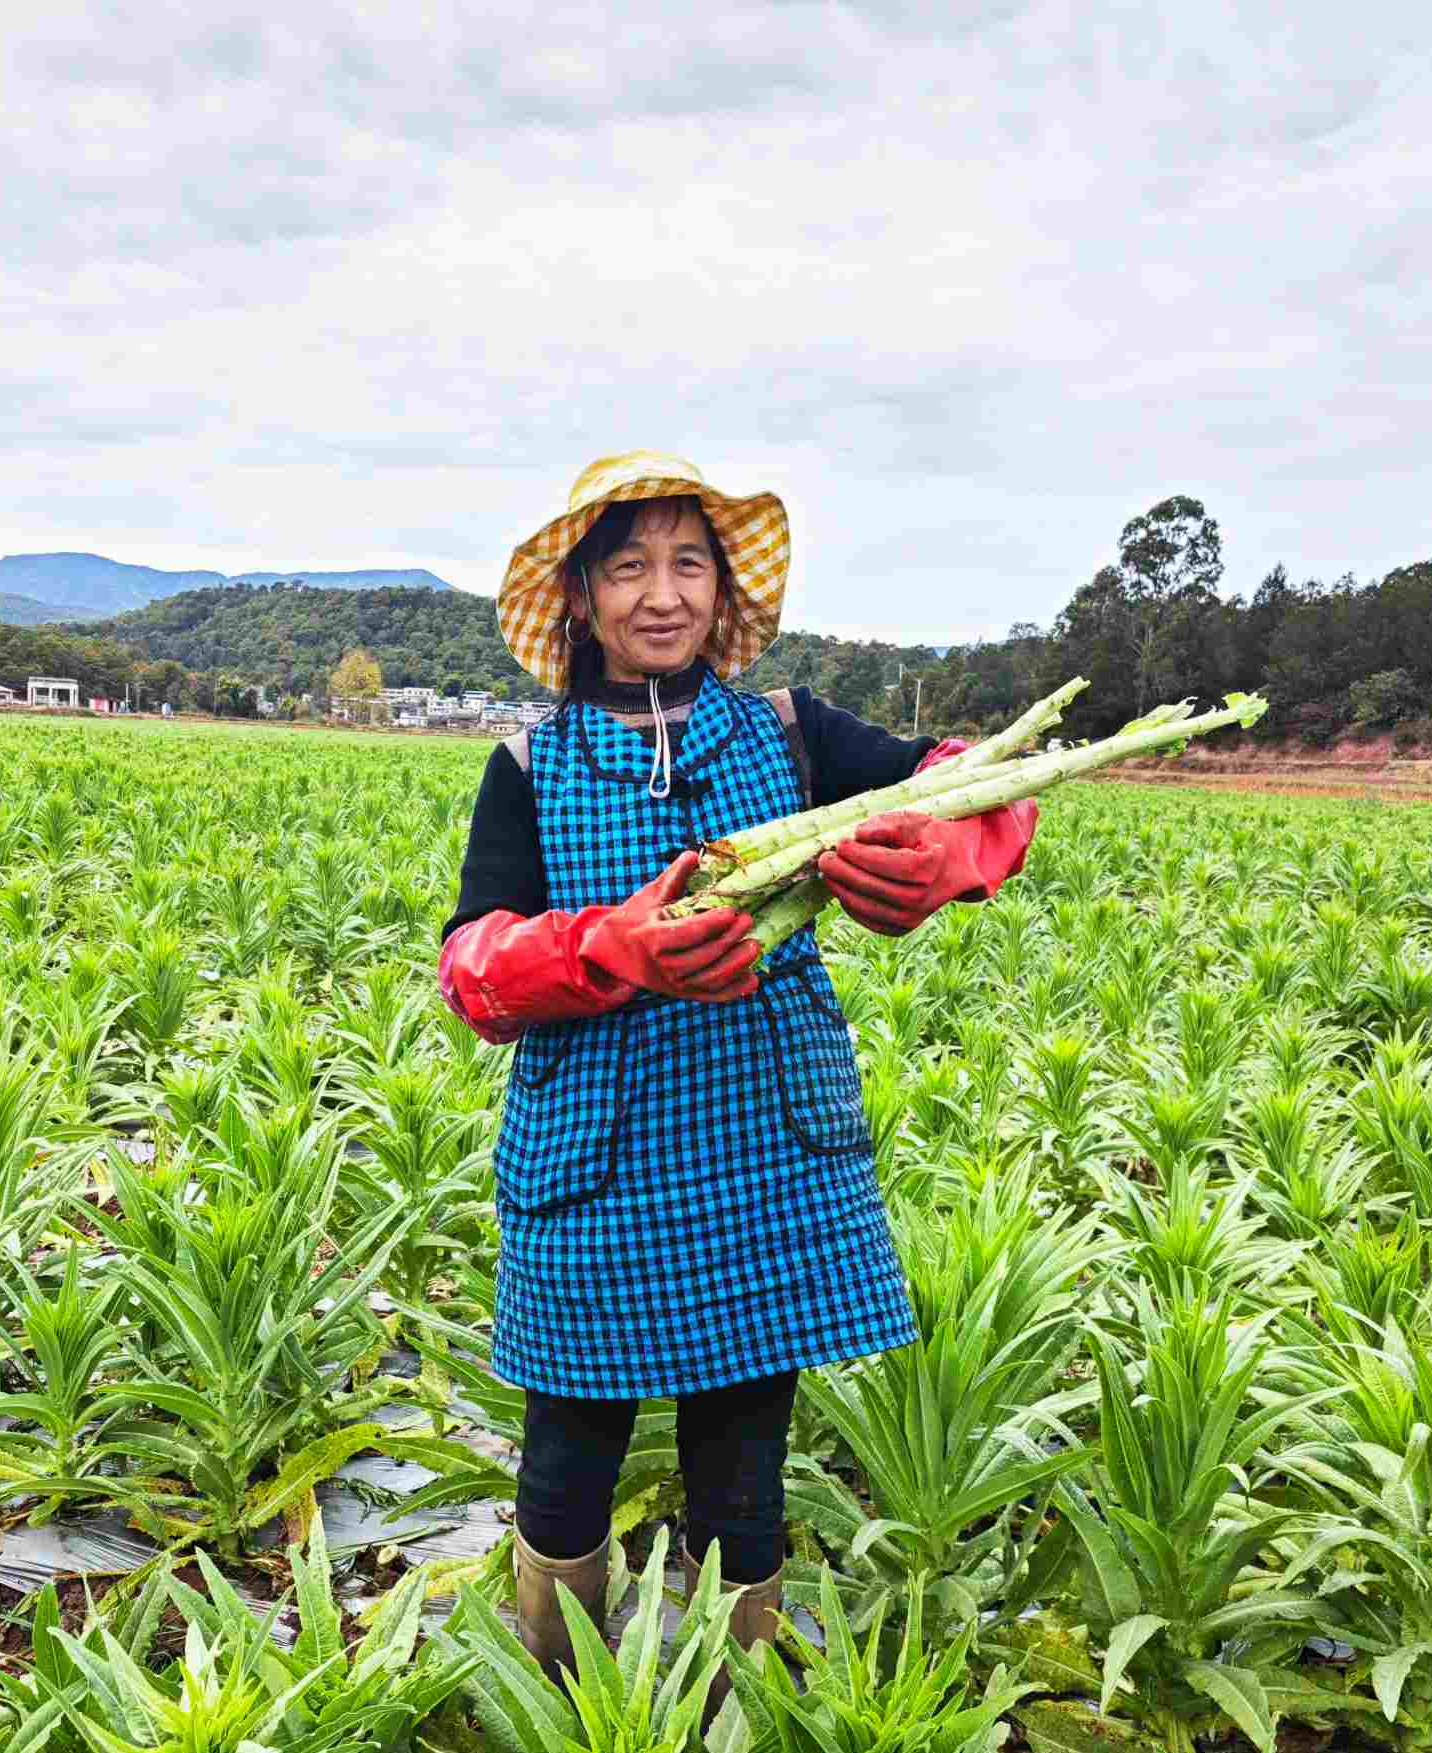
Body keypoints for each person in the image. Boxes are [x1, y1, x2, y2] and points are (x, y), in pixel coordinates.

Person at [436, 451, 1038, 1684]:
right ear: (580, 597)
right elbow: (472, 966)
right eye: (627, 566)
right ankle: (557, 1704)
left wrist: (948, 855)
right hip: (591, 1158)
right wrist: (603, 945)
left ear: (722, 593)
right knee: (566, 1454)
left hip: (762, 1147)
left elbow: (972, 780)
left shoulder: (789, 733)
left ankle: (735, 1705)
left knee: (742, 1461)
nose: (660, 594)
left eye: (688, 563)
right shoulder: (528, 766)